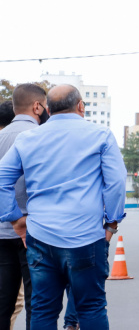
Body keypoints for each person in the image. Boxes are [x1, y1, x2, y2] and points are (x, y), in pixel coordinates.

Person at [0, 85, 126, 330]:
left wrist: (15, 219)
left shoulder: (29, 138)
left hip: (40, 239)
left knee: (43, 309)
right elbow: (117, 182)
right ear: (80, 106)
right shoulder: (100, 134)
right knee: (91, 307)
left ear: (48, 109)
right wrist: (111, 223)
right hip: (86, 238)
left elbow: (2, 178)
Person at [0, 84, 48, 330]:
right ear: (37, 106)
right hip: (32, 232)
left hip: (1, 233)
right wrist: (19, 220)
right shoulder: (41, 137)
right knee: (36, 303)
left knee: (3, 304)